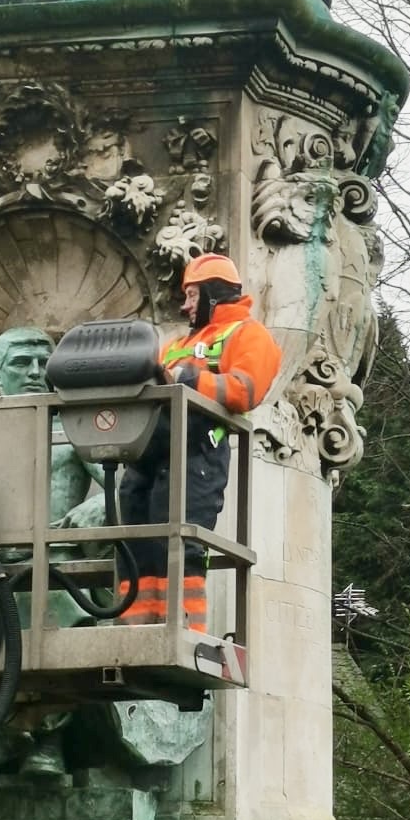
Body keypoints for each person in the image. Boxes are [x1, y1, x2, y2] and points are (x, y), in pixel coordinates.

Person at [118, 253, 281, 632]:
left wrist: (190, 379)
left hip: (198, 451)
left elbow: (245, 390)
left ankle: (183, 627)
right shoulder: (177, 342)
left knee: (180, 540)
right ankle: (135, 626)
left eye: (192, 296)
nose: (185, 305)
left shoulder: (248, 334)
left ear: (212, 295)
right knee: (134, 534)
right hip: (150, 450)